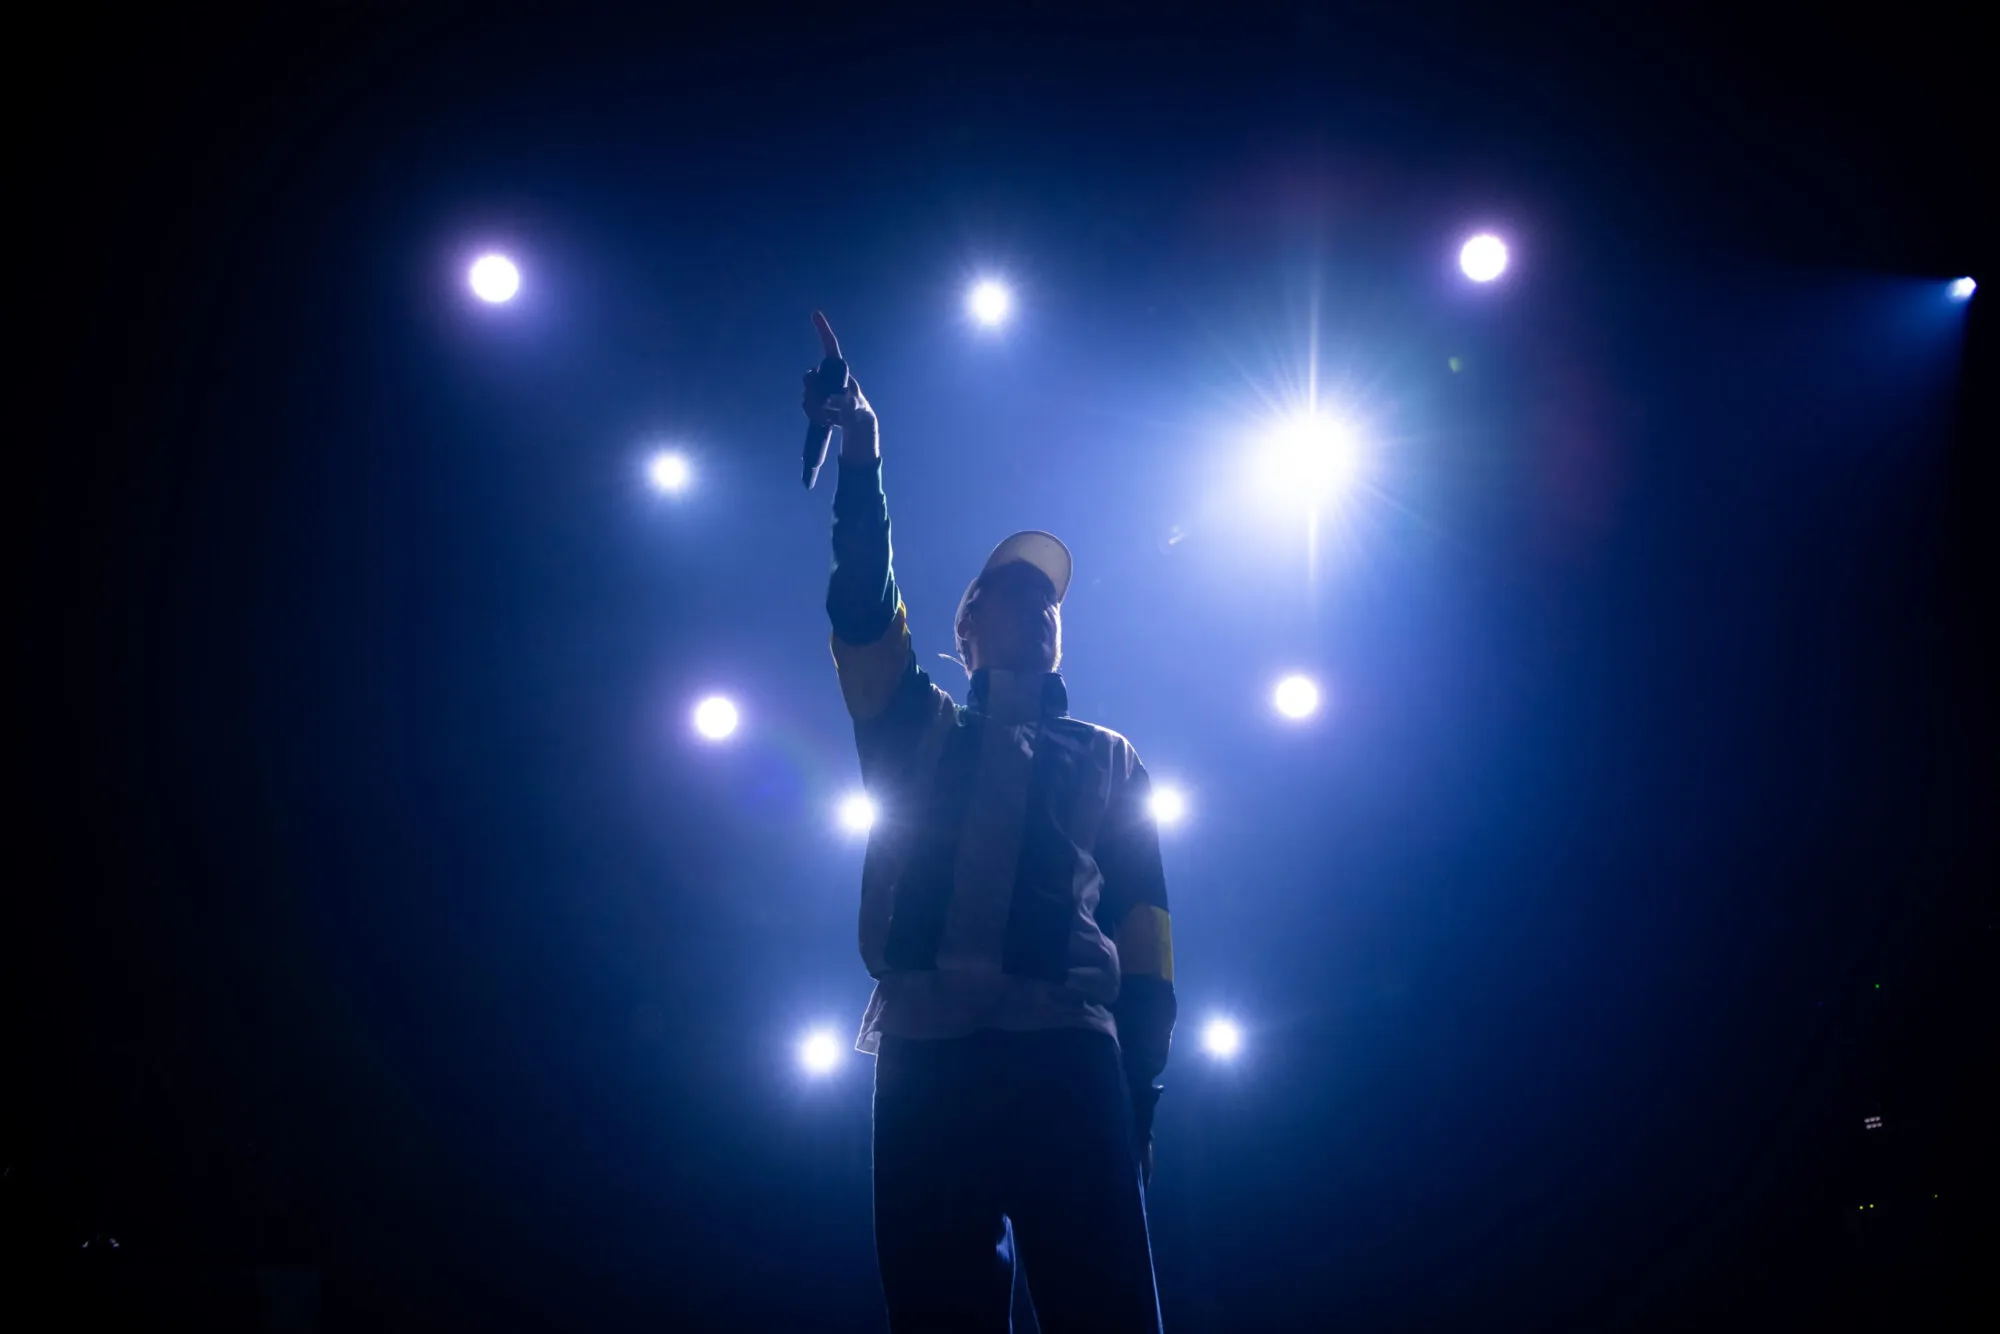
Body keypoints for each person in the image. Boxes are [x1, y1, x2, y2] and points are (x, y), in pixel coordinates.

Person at [804, 310, 1177, 1332]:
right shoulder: (909, 720)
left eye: (1049, 600)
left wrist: (1137, 1092)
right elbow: (861, 606)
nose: (1042, 607)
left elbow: (1146, 937)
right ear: (964, 625)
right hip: (926, 1055)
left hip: (1066, 1056)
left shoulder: (1109, 754)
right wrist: (862, 458)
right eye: (1013, 593)